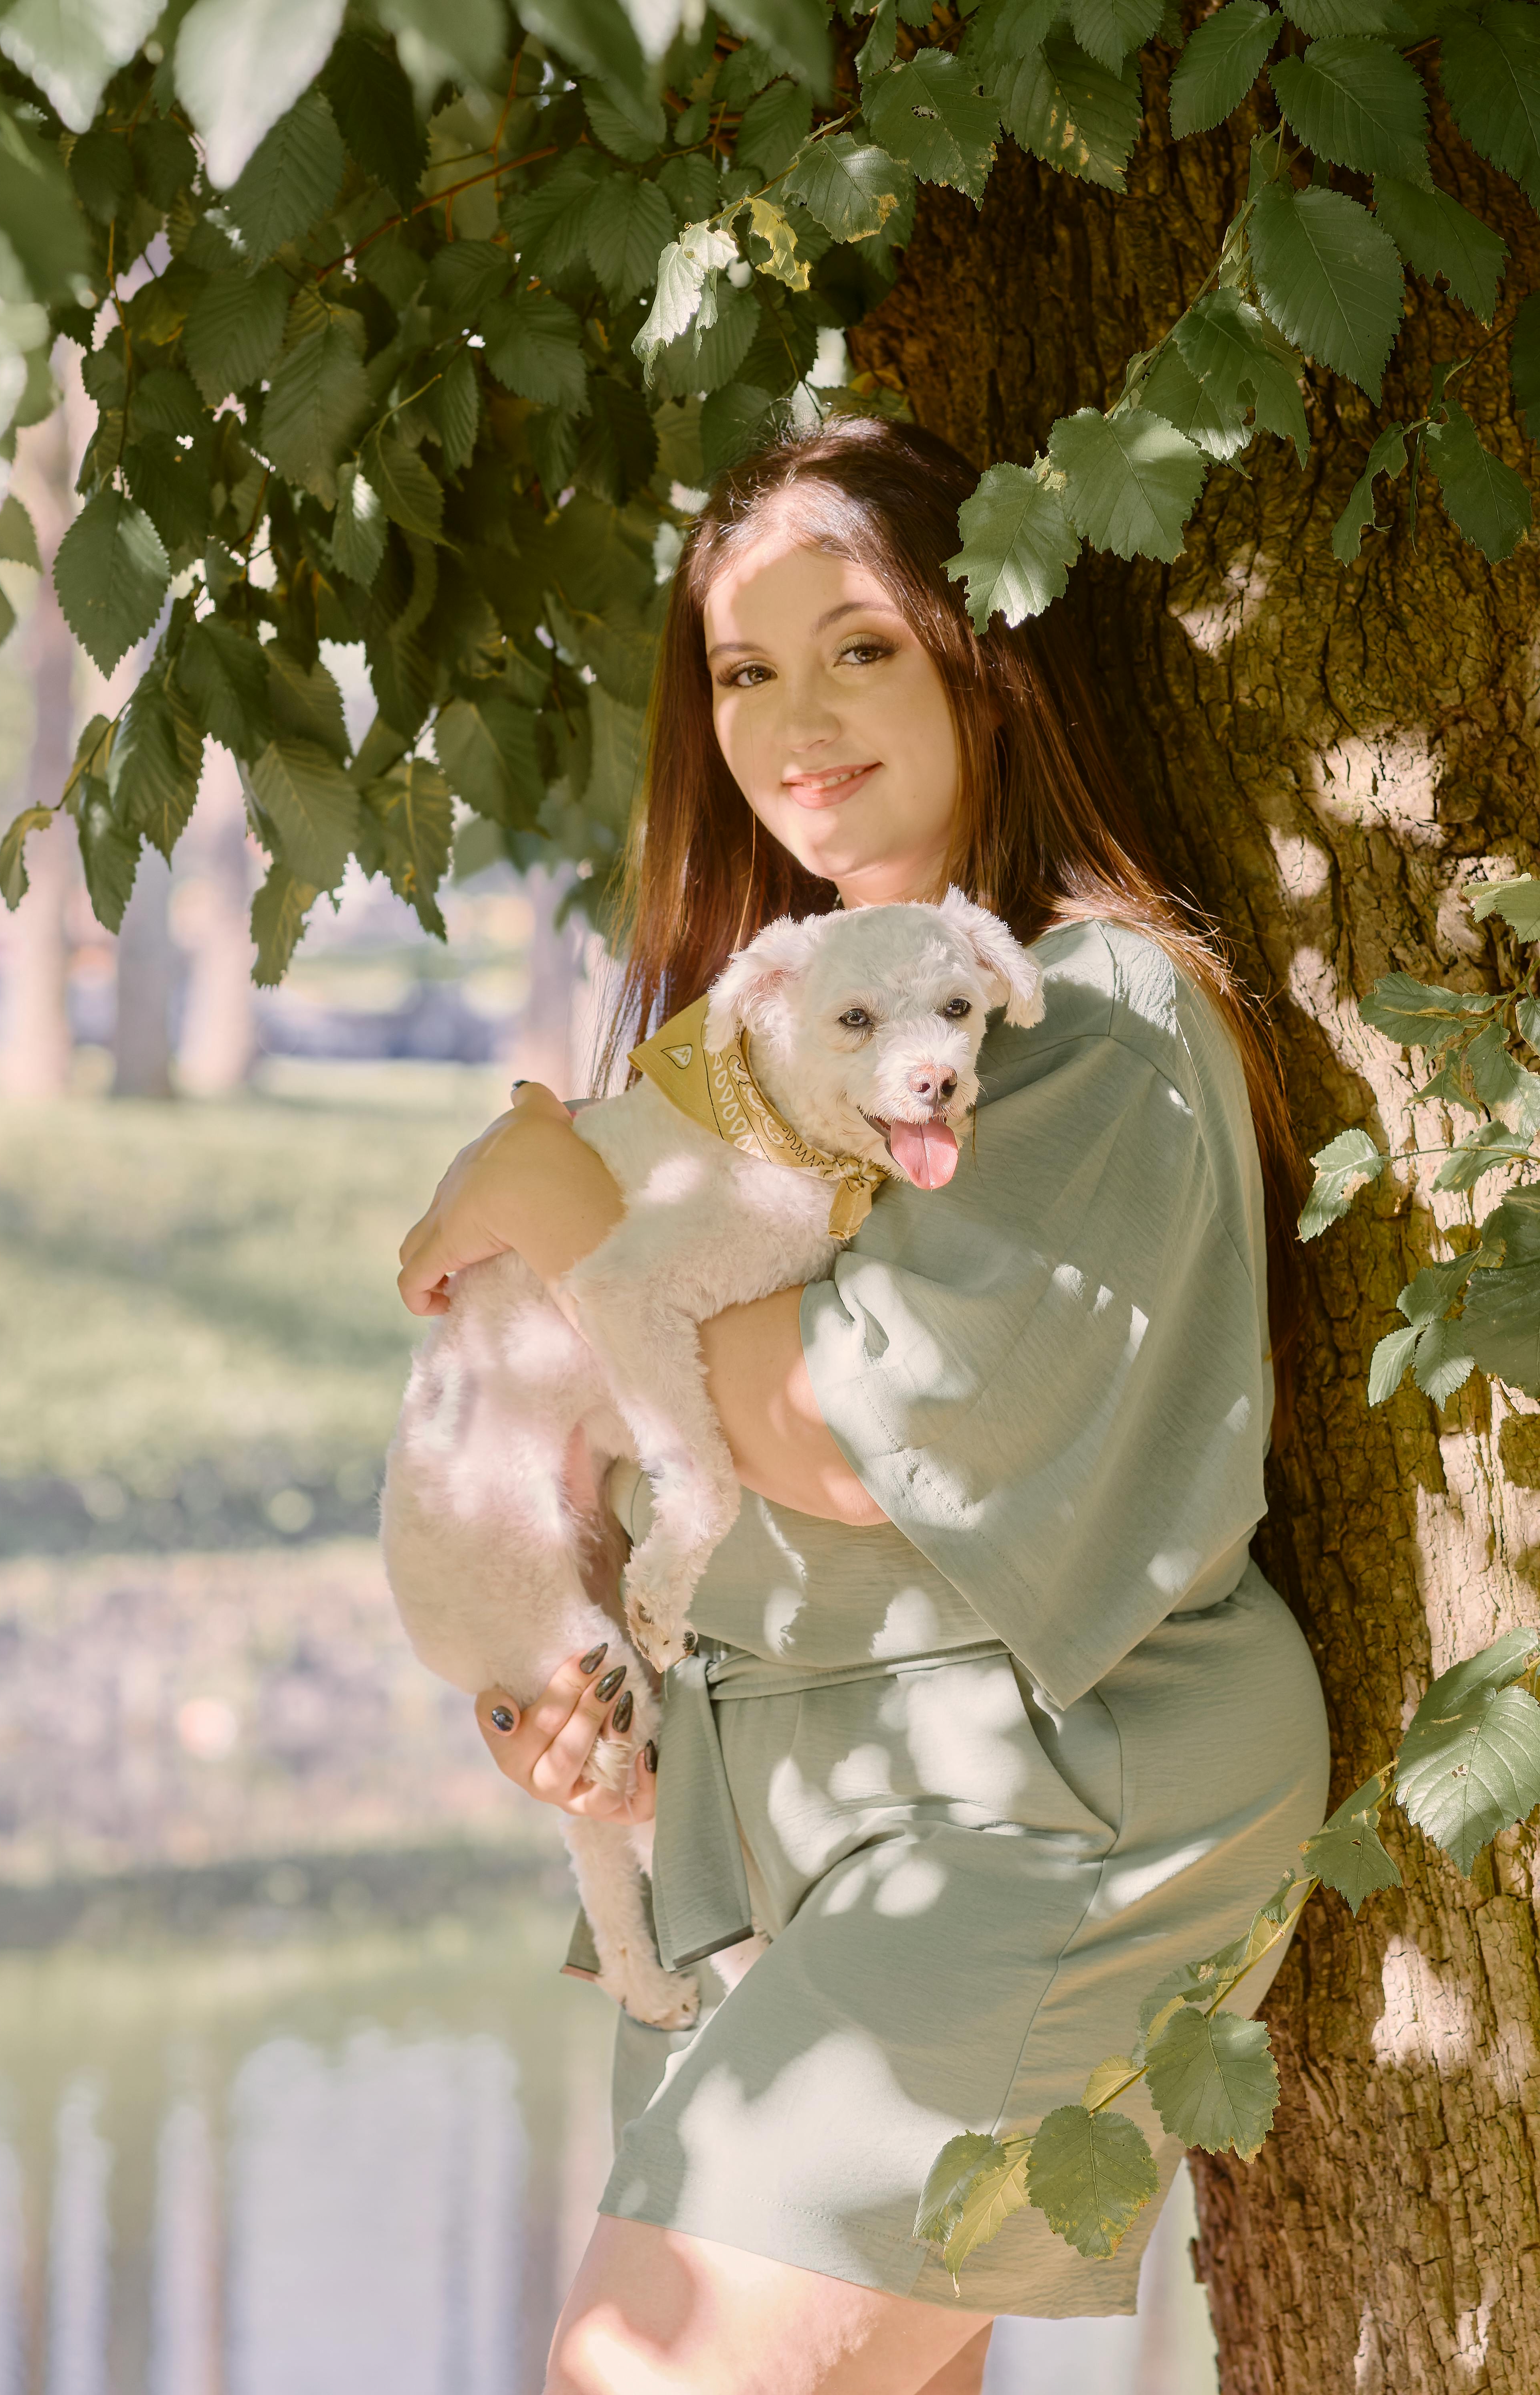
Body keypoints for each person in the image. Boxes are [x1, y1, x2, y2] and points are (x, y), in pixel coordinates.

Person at [396, 418, 1331, 2395]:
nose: (794, 720)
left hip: (1046, 1799)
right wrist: (558, 1701)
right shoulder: (753, 1046)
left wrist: (576, 1209)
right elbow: (639, 1463)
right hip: (788, 1815)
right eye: (744, 671)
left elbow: (841, 1445)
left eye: (861, 649)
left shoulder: (1092, 1015)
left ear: (980, 653)